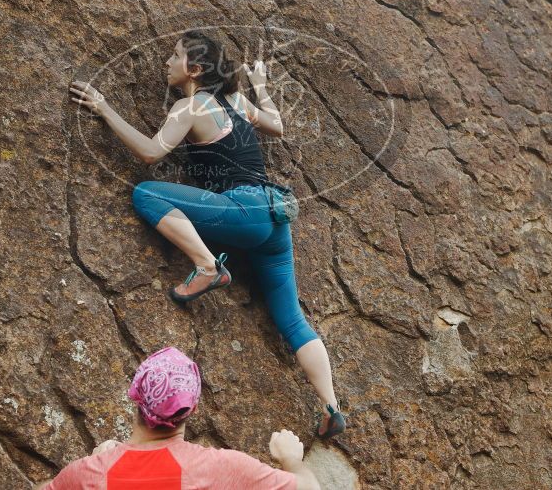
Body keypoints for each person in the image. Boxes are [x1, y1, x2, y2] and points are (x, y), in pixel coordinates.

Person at [68, 30, 345, 438]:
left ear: (194, 69)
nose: (167, 62)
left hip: (242, 210)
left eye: (174, 56)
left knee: (146, 194)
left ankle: (206, 265)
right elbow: (277, 125)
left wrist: (105, 108)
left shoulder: (189, 106)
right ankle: (331, 406)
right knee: (292, 319)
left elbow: (150, 152)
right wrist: (262, 88)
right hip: (273, 218)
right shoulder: (236, 101)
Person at [35, 347, 321, 489]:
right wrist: (291, 458)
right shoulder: (220, 468)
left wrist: (96, 463)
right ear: (192, 408)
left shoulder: (90, 474)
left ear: (135, 394)